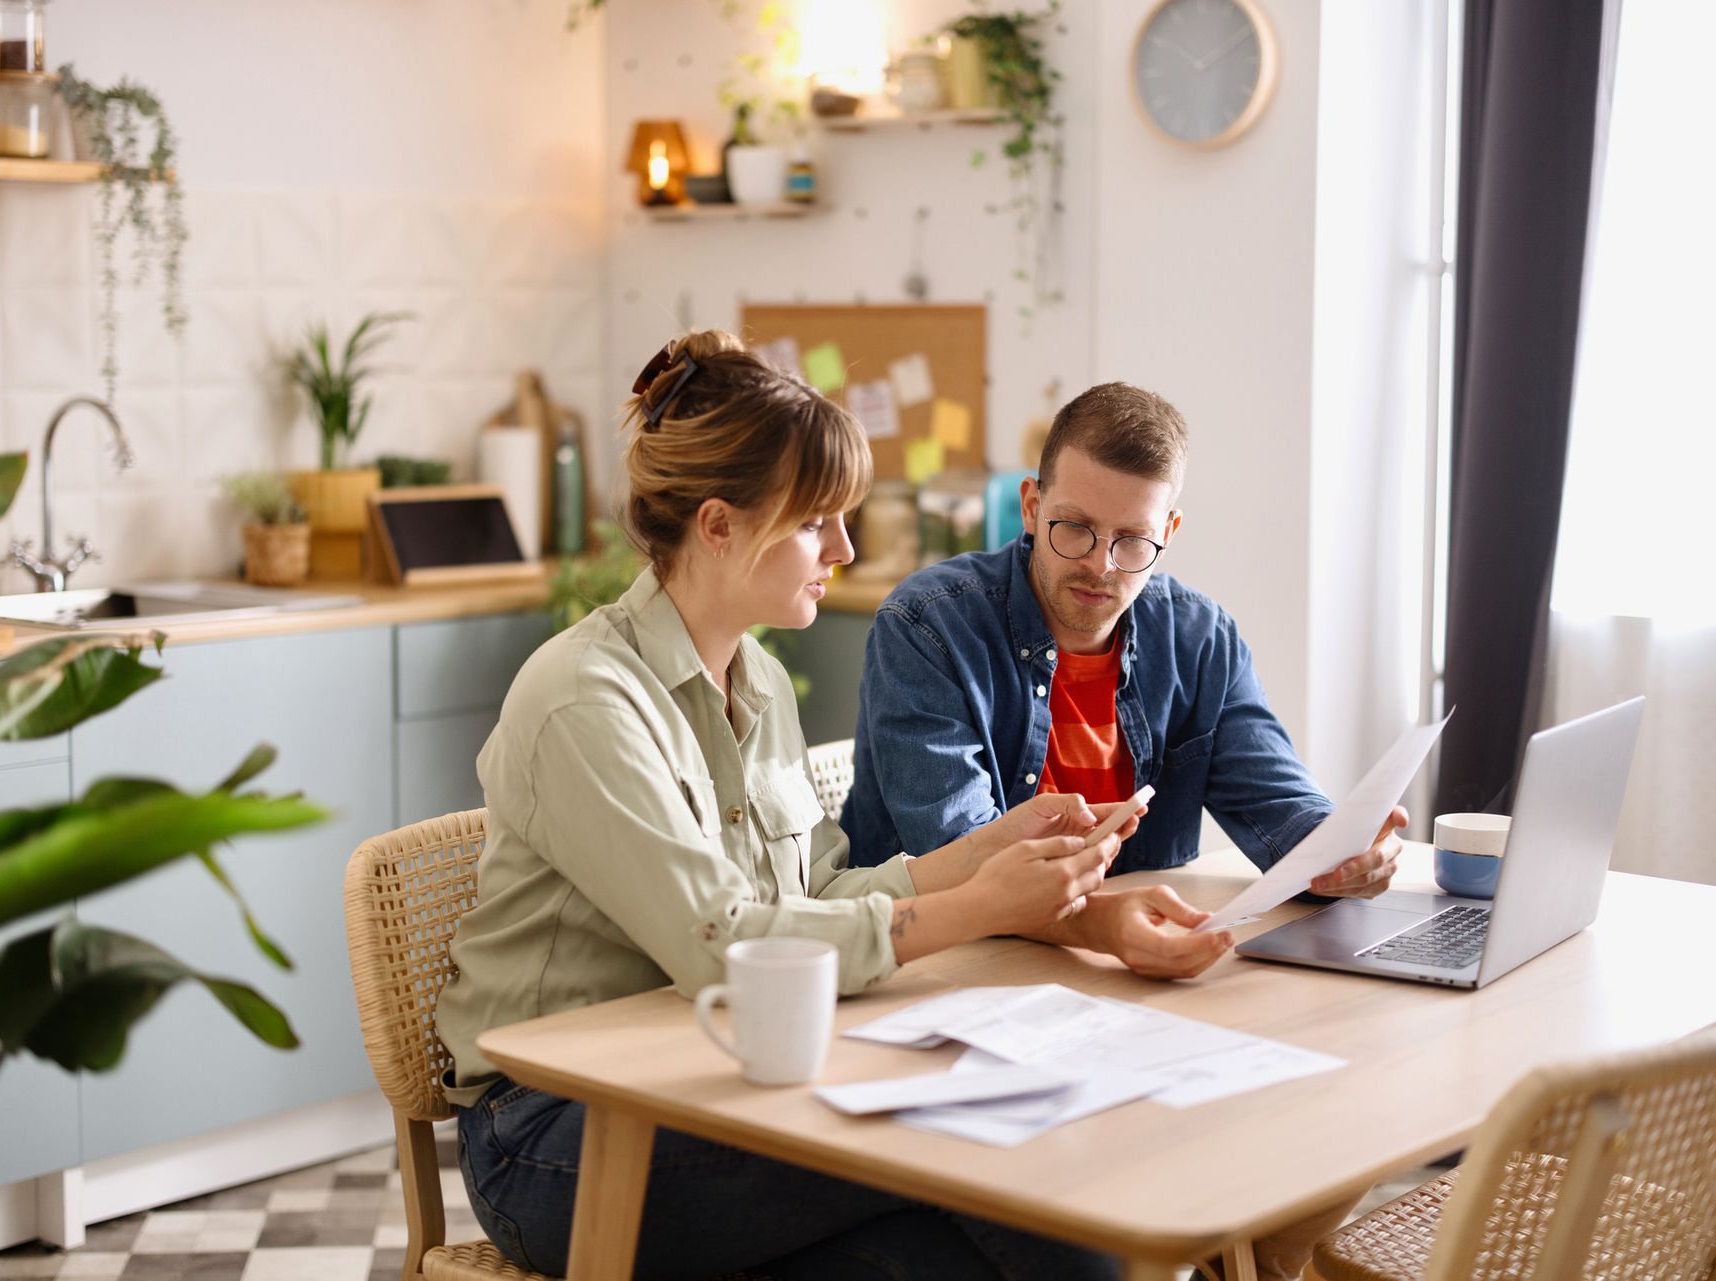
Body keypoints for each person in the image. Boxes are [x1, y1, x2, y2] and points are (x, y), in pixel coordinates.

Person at [436, 331, 1142, 1281]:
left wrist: (983, 851)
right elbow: (720, 944)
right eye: (819, 523)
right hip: (560, 1131)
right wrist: (978, 909)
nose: (844, 550)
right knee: (987, 1158)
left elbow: (814, 886)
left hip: (721, 1073)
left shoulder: (758, 675)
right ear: (720, 525)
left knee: (974, 1244)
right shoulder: (582, 698)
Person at [843, 380, 1407, 983]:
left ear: (1170, 531)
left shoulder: (1200, 639)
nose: (1100, 564)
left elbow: (1283, 810)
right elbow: (962, 861)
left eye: (1132, 540)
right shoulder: (928, 626)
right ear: (1032, 506)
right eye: (1074, 528)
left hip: (1116, 968)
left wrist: (1343, 853)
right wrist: (1101, 924)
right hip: (930, 967)